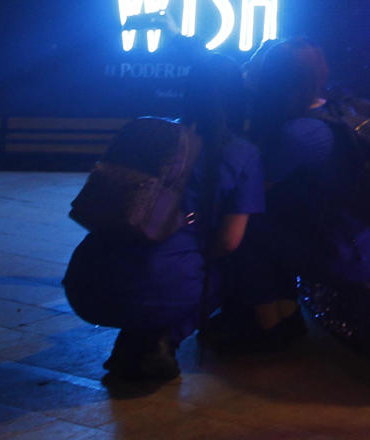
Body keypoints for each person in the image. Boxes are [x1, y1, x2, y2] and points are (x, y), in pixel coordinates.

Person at [63, 53, 262, 382]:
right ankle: (163, 337)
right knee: (233, 267)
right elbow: (228, 242)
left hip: (87, 286)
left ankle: (139, 337)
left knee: (150, 269)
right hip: (168, 290)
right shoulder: (242, 154)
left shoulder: (150, 135)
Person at [226, 38, 370, 349]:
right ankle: (282, 310)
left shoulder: (297, 135)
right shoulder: (344, 108)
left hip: (352, 258)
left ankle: (271, 327)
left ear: (274, 82)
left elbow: (249, 190)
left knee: (245, 223)